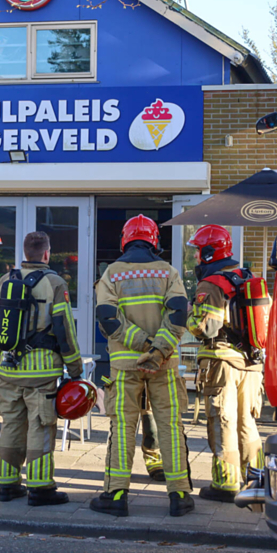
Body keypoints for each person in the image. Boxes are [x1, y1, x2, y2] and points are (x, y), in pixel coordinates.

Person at [90, 215, 194, 518]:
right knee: (171, 428)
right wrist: (157, 351)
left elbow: (108, 319)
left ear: (125, 239)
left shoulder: (111, 274)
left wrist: (142, 345)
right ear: (154, 241)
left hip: (124, 367)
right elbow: (177, 316)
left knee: (122, 428)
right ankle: (179, 496)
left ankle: (117, 494)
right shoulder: (168, 272)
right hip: (164, 365)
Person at [0, 231, 84, 506]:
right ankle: (41, 488)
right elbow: (64, 329)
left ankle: (7, 485)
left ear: (24, 252)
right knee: (41, 427)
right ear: (46, 253)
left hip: (8, 370)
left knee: (11, 426)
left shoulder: (6, 280)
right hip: (41, 374)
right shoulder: (55, 283)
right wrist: (75, 369)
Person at [186, 224, 264, 502]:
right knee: (248, 422)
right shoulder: (246, 276)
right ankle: (257, 479)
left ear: (209, 252)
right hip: (252, 362)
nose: (195, 257)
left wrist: (188, 316)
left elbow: (206, 327)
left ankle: (225, 483)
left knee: (223, 421)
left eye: (197, 251)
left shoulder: (211, 284)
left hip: (222, 363)